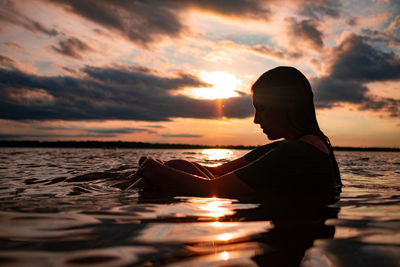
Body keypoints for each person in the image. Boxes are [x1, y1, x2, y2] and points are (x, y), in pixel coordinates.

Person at [134, 66, 342, 203]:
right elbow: (216, 171)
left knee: (157, 179)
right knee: (174, 168)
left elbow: (210, 189)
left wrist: (151, 166)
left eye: (262, 109)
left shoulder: (297, 153)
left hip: (289, 228)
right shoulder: (293, 147)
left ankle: (125, 204)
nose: (256, 120)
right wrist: (165, 167)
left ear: (288, 104)